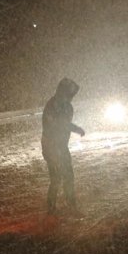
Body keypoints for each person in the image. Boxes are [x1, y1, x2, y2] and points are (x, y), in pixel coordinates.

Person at [42, 77, 85, 214]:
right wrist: (76, 128)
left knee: (66, 175)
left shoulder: (66, 106)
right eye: (70, 94)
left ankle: (69, 204)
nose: (72, 97)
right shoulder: (53, 105)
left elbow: (63, 124)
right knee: (57, 177)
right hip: (51, 145)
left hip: (60, 145)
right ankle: (52, 207)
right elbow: (61, 124)